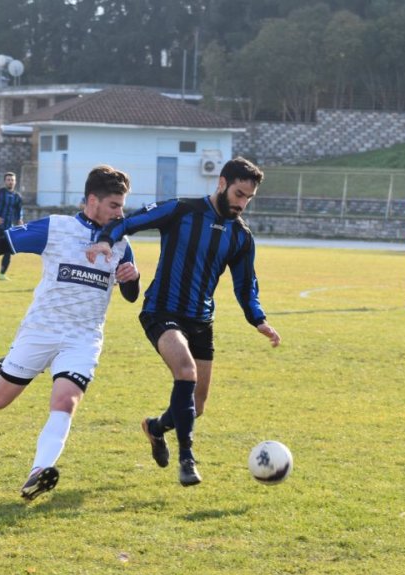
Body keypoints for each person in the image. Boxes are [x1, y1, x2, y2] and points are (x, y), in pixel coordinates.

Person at [86, 157, 281, 488]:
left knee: (197, 406)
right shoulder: (181, 210)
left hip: (202, 320)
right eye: (238, 193)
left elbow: (245, 284)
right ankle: (187, 459)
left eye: (248, 198)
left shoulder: (241, 237)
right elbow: (130, 223)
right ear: (221, 183)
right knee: (186, 371)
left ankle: (156, 427)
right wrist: (106, 237)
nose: (242, 203)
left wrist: (258, 319)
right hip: (162, 311)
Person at [0, 165, 141, 501]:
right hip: (41, 331)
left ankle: (38, 472)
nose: (120, 213)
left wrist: (133, 278)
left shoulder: (120, 242)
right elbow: (9, 242)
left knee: (65, 401)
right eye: (114, 205)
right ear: (92, 200)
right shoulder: (57, 227)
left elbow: (130, 296)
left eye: (122, 206)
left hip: (83, 338)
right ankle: (4, 366)